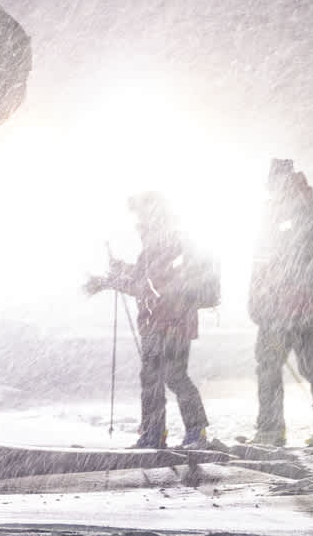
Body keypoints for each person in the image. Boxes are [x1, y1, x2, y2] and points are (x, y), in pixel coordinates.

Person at [85, 191, 216, 449]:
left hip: (172, 320)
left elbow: (151, 285)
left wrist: (108, 281)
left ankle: (187, 433)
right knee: (155, 378)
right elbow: (145, 278)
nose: (137, 220)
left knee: (171, 376)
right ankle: (159, 435)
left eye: (140, 213)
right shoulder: (161, 241)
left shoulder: (168, 241)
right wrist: (121, 271)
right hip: (161, 321)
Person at [248, 159, 313, 447]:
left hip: (296, 310)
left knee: (289, 365)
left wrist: (305, 294)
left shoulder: (307, 214)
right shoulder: (278, 215)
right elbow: (261, 265)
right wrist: (257, 299)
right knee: (289, 364)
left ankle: (275, 430)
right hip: (281, 310)